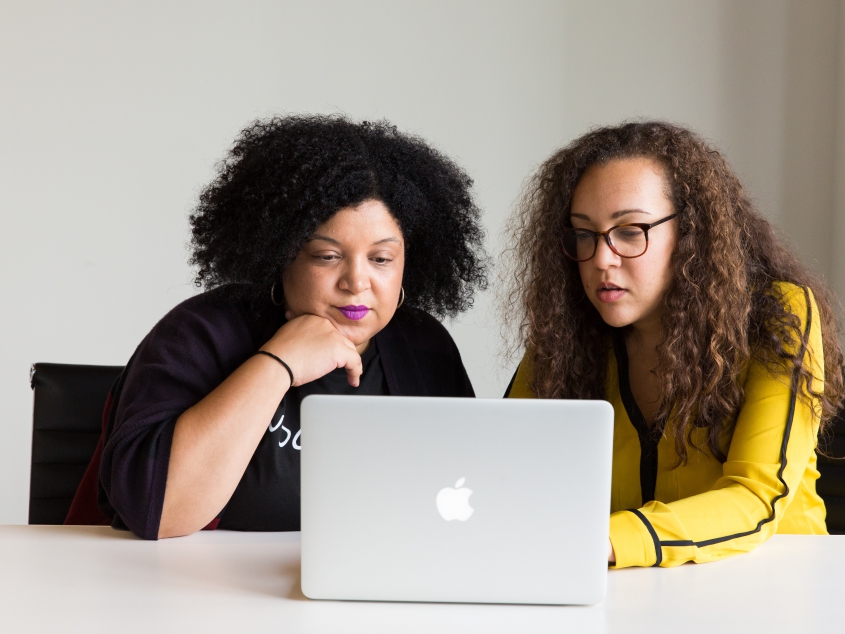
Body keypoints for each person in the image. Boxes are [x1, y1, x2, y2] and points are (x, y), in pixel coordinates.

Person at [67, 116, 488, 539]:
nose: (356, 282)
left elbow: (472, 496)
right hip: (188, 593)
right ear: (281, 253)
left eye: (381, 259)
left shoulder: (423, 346)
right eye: (327, 256)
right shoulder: (201, 333)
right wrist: (278, 362)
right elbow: (157, 514)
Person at [503, 121, 844, 568]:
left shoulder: (777, 315)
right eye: (584, 234)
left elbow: (754, 499)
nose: (602, 258)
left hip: (775, 590)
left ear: (691, 235)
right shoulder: (568, 331)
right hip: (621, 595)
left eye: (630, 231)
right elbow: (505, 468)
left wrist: (603, 540)